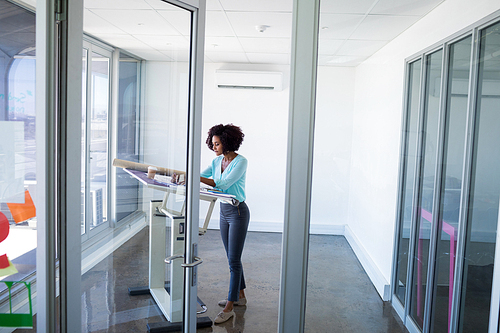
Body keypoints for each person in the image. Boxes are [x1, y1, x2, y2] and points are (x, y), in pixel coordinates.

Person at [201, 124, 250, 324]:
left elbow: (222, 184)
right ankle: (241, 297)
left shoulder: (241, 162)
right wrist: (187, 175)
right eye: (212, 143)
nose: (214, 147)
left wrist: (196, 177)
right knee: (232, 257)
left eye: (217, 143)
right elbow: (202, 174)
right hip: (223, 211)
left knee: (234, 261)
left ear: (227, 142)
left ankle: (229, 307)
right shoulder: (216, 161)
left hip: (238, 211)